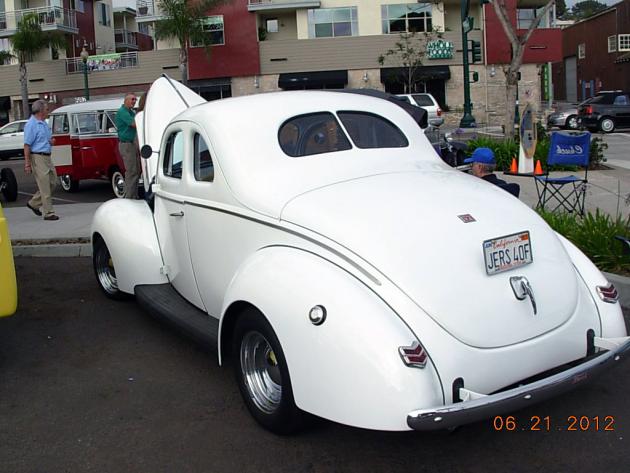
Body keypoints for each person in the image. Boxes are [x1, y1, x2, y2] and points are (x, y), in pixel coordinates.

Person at [24, 99, 59, 221]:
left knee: (53, 182)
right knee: (44, 186)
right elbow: (27, 145)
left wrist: (51, 141)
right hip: (37, 157)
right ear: (40, 111)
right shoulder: (31, 125)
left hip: (47, 156)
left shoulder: (44, 123)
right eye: (46, 109)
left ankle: (33, 203)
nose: (48, 111)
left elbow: (47, 139)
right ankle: (49, 213)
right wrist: (27, 164)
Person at [115, 93, 140, 199]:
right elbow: (134, 124)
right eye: (132, 99)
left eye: (135, 99)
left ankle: (134, 195)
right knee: (131, 171)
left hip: (132, 144)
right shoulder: (123, 112)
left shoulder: (130, 112)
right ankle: (129, 197)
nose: (134, 101)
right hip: (127, 145)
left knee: (137, 170)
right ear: (126, 100)